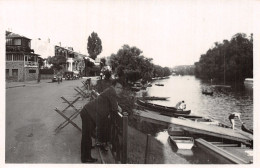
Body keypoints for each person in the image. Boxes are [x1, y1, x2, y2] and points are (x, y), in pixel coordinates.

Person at [80, 79, 123, 163]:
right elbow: (115, 107)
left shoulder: (109, 91)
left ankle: (86, 151)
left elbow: (110, 104)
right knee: (86, 136)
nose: (119, 90)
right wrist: (118, 106)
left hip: (89, 112)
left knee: (87, 135)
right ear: (113, 86)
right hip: (89, 113)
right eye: (118, 87)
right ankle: (85, 158)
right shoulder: (111, 91)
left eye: (121, 88)